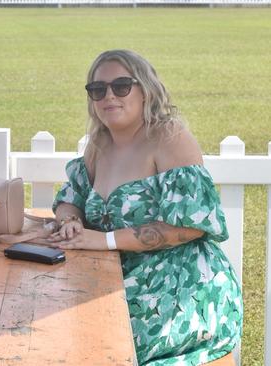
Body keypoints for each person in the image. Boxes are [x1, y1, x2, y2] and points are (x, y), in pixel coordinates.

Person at [50, 49, 242, 365]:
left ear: (145, 90)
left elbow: (191, 225)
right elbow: (71, 198)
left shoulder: (168, 137)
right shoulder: (99, 144)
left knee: (93, 347)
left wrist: (104, 240)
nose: (109, 95)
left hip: (180, 291)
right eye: (98, 89)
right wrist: (70, 221)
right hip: (116, 279)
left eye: (121, 86)